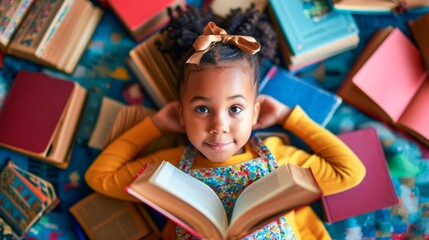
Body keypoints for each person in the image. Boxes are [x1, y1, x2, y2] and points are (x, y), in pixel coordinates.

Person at [85, 5, 366, 239]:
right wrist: (155, 125)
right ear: (181, 115)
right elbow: (100, 177)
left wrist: (288, 118)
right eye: (202, 109)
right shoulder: (167, 172)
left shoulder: (280, 160)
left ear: (255, 113)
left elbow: (349, 172)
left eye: (235, 108)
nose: (219, 126)